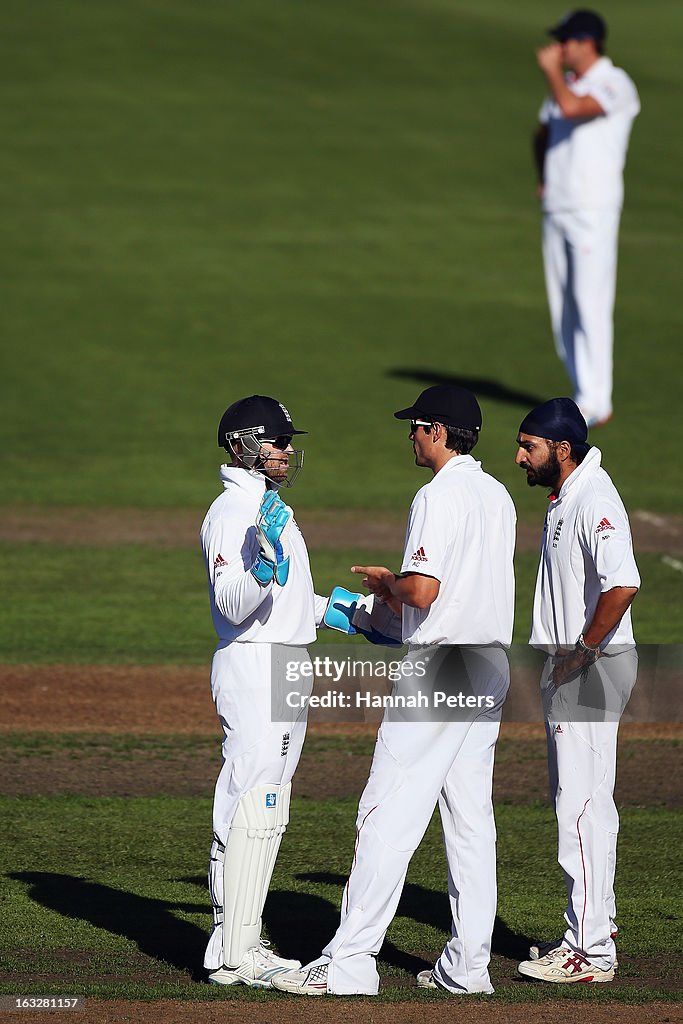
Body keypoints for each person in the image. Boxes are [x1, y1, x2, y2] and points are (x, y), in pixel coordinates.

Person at [271, 383, 516, 996]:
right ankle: (468, 967)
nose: (409, 435)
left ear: (437, 430)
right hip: (488, 666)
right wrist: (367, 610)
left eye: (415, 426)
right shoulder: (499, 495)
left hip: (440, 670)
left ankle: (350, 963)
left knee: (385, 813)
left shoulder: (437, 494)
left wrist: (389, 582)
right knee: (470, 823)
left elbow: (425, 593)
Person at [200, 394, 328, 988]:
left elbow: (287, 602)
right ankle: (236, 949)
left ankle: (239, 943)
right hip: (256, 668)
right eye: (278, 442)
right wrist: (264, 563)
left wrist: (346, 613)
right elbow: (233, 601)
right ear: (244, 445)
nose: (288, 452)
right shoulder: (232, 512)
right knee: (252, 803)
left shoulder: (268, 506)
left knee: (268, 804)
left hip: (286, 661)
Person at [514, 397, 640, 983]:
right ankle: (596, 925)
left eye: (529, 446)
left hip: (589, 668)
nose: (520, 457)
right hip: (576, 666)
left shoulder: (593, 498)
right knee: (588, 802)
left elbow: (623, 584)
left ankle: (589, 951)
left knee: (580, 806)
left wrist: (581, 651)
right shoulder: (570, 492)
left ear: (561, 448)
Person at [533, 9, 640, 427]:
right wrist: (543, 177)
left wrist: (551, 73)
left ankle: (599, 399)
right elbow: (541, 132)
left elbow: (573, 108)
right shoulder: (567, 84)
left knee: (590, 301)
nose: (559, 49)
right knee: (563, 305)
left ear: (587, 42)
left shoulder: (614, 82)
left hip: (593, 207)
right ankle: (582, 393)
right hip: (557, 205)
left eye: (566, 41)